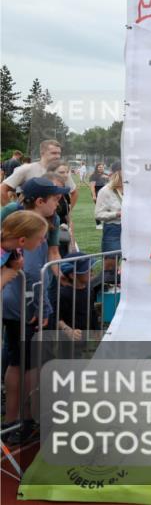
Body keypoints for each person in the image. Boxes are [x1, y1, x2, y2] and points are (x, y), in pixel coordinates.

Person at [1, 177, 69, 444]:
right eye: (55, 199)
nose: (58, 203)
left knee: (19, 360)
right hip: (25, 307)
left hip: (16, 304)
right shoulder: (29, 230)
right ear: (40, 201)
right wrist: (42, 306)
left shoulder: (26, 224)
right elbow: (32, 273)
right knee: (27, 364)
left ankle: (15, 419)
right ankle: (23, 420)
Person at [1, 140, 78, 208]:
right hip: (31, 217)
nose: (58, 156)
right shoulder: (27, 169)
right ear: (42, 153)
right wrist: (11, 213)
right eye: (54, 153)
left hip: (55, 218)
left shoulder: (62, 171)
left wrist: (69, 213)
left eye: (59, 153)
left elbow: (74, 192)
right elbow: (2, 189)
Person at [95, 170, 123, 285]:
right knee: (110, 265)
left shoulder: (134, 188)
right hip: (113, 228)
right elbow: (98, 214)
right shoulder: (106, 190)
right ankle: (108, 290)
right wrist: (117, 214)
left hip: (133, 229)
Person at [89, 162, 108, 229]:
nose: (101, 168)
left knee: (107, 207)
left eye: (102, 167)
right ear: (96, 168)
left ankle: (106, 222)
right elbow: (92, 186)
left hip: (105, 192)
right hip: (97, 192)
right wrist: (94, 195)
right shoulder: (93, 176)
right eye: (99, 167)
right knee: (98, 208)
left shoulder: (105, 174)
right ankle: (98, 224)